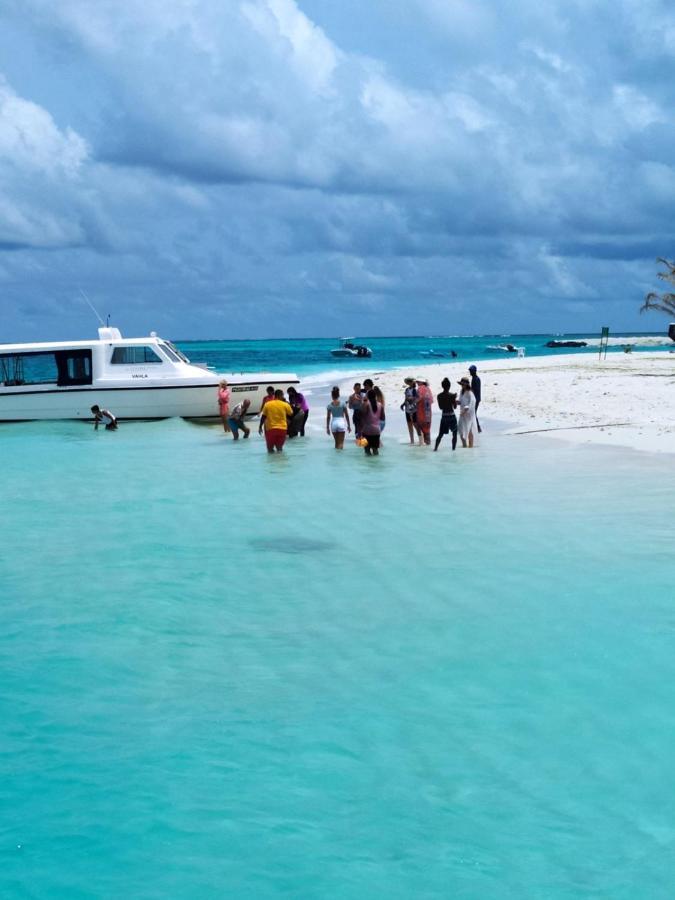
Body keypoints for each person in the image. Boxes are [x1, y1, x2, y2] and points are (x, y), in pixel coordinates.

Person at [434, 378, 458, 451]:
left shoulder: (439, 396)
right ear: (449, 386)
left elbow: (441, 407)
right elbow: (455, 407)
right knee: (454, 434)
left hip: (444, 416)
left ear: (442, 386)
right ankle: (453, 450)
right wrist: (454, 399)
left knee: (440, 434)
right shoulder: (452, 395)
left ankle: (435, 449)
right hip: (451, 416)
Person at [360, 388, 383, 456]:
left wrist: (362, 402)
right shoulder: (380, 405)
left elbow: (362, 414)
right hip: (377, 430)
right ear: (375, 396)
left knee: (367, 450)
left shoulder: (366, 404)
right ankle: (376, 464)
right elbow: (382, 417)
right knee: (375, 450)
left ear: (368, 396)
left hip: (366, 430)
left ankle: (369, 465)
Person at [457, 377, 477, 448]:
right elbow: (460, 401)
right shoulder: (461, 391)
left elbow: (471, 403)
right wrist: (456, 402)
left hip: (469, 415)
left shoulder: (470, 393)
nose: (462, 386)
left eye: (463, 384)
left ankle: (471, 446)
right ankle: (464, 445)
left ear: (466, 385)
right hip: (462, 414)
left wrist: (465, 410)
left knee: (469, 430)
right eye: (461, 384)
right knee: (460, 430)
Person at [401, 377, 420, 444]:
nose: (409, 383)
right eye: (408, 382)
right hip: (407, 408)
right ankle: (412, 440)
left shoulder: (414, 390)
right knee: (409, 424)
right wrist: (403, 404)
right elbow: (406, 398)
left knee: (415, 424)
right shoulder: (407, 390)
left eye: (410, 382)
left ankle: (420, 438)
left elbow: (415, 398)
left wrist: (410, 399)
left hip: (414, 409)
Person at [416, 378, 433, 446]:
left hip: (421, 412)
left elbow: (418, 398)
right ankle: (428, 444)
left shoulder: (419, 389)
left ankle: (423, 444)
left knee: (420, 428)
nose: (417, 383)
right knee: (427, 429)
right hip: (428, 413)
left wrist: (413, 402)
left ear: (421, 382)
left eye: (418, 382)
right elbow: (431, 401)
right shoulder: (428, 389)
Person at [469, 365, 482, 433]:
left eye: (471, 371)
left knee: (473, 413)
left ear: (474, 371)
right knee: (473, 413)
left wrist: (469, 389)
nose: (470, 372)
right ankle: (476, 427)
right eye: (470, 371)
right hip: (476, 398)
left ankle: (478, 428)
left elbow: (475, 389)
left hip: (476, 399)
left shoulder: (476, 379)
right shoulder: (475, 378)